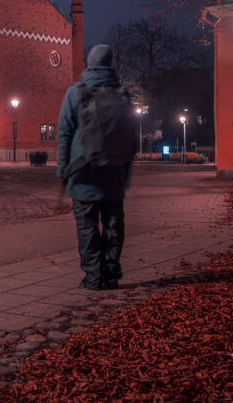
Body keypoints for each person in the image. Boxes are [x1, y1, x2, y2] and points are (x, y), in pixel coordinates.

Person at [56, 43, 134, 290]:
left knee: (87, 227)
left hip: (83, 173)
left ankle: (92, 277)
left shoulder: (76, 91)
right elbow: (132, 137)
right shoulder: (122, 93)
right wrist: (126, 173)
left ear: (89, 63)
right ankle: (110, 275)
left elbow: (65, 134)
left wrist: (62, 169)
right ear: (110, 64)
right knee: (113, 225)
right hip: (114, 172)